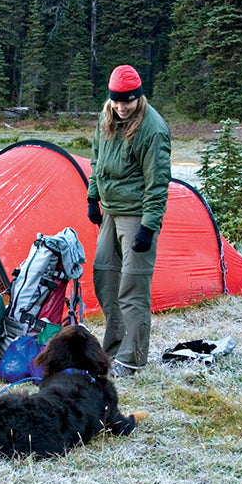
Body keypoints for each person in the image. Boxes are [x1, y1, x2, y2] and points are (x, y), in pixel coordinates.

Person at [86, 65, 171, 377]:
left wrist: (148, 227)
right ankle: (112, 351)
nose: (122, 107)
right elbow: (97, 158)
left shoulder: (153, 129)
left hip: (137, 214)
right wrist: (93, 196)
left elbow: (158, 184)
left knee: (133, 287)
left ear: (139, 98)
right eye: (117, 101)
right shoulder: (106, 116)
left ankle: (132, 359)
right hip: (109, 210)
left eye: (128, 102)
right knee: (105, 277)